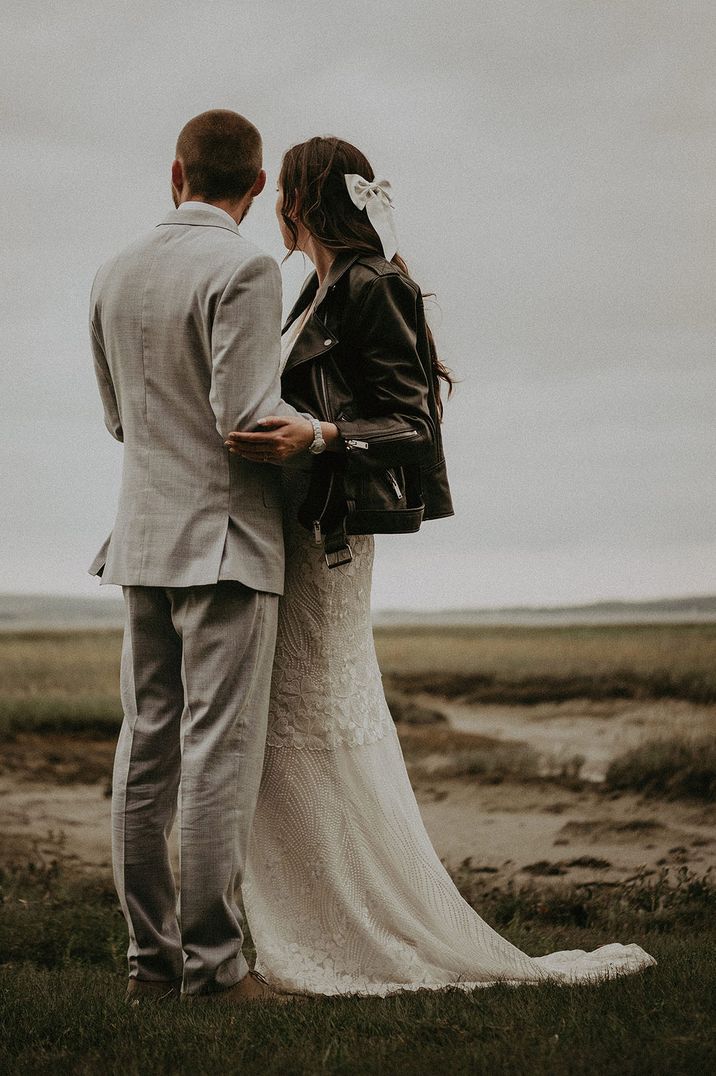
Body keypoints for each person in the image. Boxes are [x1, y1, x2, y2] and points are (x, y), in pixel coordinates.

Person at [226, 136, 656, 995]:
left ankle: (337, 925)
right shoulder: (313, 292)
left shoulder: (372, 286)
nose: (275, 205)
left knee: (309, 713)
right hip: (291, 534)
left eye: (282, 191)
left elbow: (412, 423)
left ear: (298, 200)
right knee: (279, 718)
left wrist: (320, 435)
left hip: (328, 540)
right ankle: (278, 915)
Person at [88, 110, 323, 1003]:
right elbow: (247, 424)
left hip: (141, 540)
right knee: (217, 755)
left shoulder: (113, 271)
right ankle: (216, 970)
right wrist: (316, 441)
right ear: (256, 188)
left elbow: (118, 420)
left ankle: (152, 966)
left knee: (145, 754)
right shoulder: (245, 266)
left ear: (175, 172)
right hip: (226, 544)